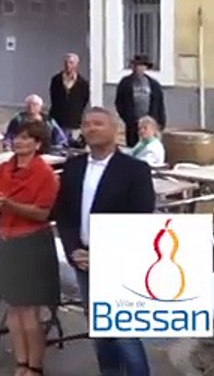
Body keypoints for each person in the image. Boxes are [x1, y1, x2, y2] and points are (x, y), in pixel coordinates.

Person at [52, 107, 156, 376]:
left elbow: (141, 217)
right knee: (100, 331)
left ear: (115, 130)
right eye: (86, 124)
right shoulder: (73, 167)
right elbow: (64, 212)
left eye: (98, 123)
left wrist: (104, 253)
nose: (91, 128)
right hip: (82, 259)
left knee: (124, 331)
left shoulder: (135, 170)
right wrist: (73, 248)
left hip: (118, 260)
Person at [0, 120, 60, 376]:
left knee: (30, 310)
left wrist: (7, 204)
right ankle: (21, 363)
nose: (19, 142)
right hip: (6, 240)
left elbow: (42, 213)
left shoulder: (46, 174)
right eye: (16, 137)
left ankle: (35, 366)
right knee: (12, 307)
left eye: (25, 138)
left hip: (31, 242)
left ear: (37, 143)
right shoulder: (3, 169)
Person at [113, 55, 166, 149]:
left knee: (149, 146)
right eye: (137, 66)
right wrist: (127, 118)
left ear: (146, 68)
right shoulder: (125, 83)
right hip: (133, 123)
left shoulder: (153, 84)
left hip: (149, 122)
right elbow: (119, 102)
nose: (139, 68)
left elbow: (159, 104)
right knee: (133, 147)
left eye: (142, 66)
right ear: (133, 67)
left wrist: (160, 122)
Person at [47, 53, 89, 139]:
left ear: (77, 65)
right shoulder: (56, 80)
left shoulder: (83, 83)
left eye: (71, 62)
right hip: (58, 119)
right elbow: (53, 97)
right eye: (66, 62)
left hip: (74, 120)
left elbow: (84, 99)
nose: (68, 65)